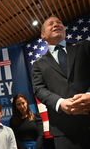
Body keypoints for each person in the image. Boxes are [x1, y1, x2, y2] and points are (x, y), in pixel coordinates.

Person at [32, 15, 90, 149]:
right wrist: (60, 103)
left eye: (59, 22)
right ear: (43, 35)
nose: (56, 24)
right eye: (50, 24)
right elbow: (39, 89)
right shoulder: (38, 64)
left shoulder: (84, 46)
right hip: (63, 130)